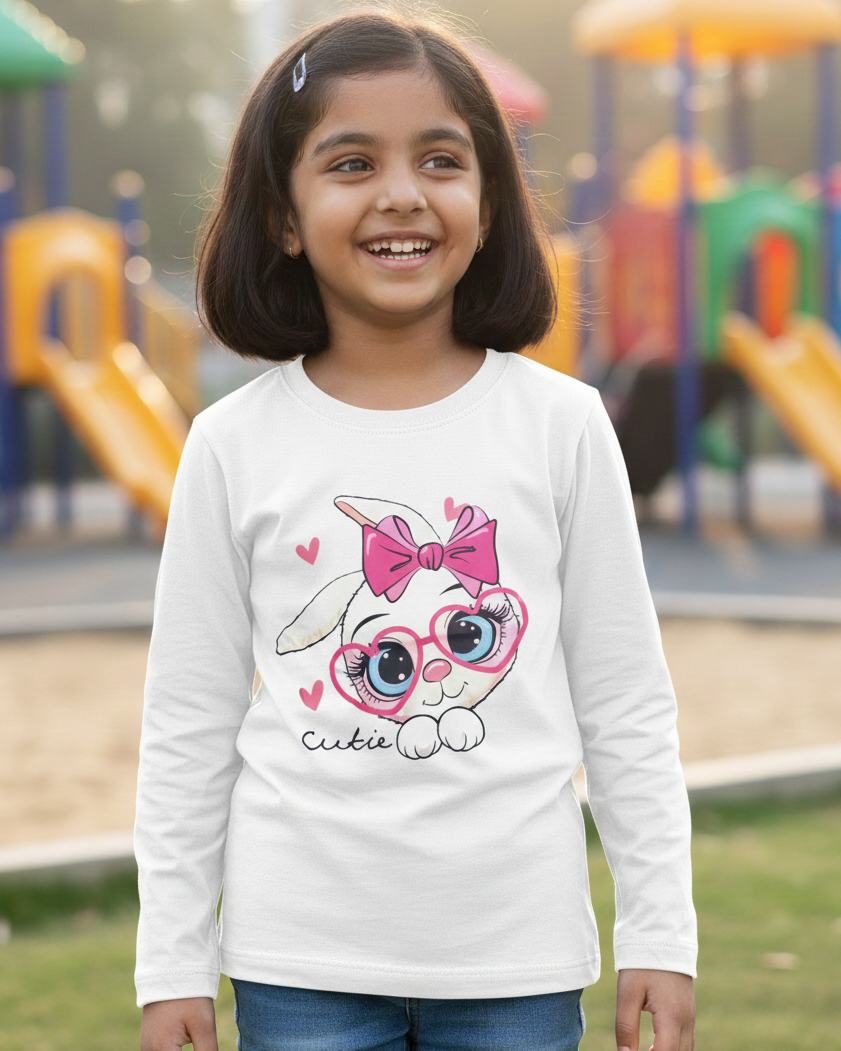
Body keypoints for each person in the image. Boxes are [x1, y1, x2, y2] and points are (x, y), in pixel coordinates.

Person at [135, 8, 697, 1051]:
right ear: (284, 216)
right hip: (296, 962)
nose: (401, 192)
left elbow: (625, 702)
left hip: (515, 959)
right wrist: (170, 961)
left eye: (441, 159)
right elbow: (186, 728)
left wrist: (660, 931)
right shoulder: (230, 444)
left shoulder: (563, 426)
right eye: (351, 162)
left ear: (487, 202)